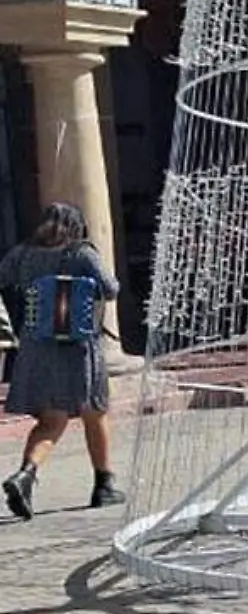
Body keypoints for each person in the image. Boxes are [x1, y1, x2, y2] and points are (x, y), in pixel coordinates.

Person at [0, 202, 124, 520]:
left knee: (51, 420)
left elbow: (4, 278)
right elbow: (111, 289)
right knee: (95, 412)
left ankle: (25, 475)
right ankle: (104, 485)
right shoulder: (81, 253)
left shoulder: (23, 253)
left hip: (37, 347)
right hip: (79, 347)